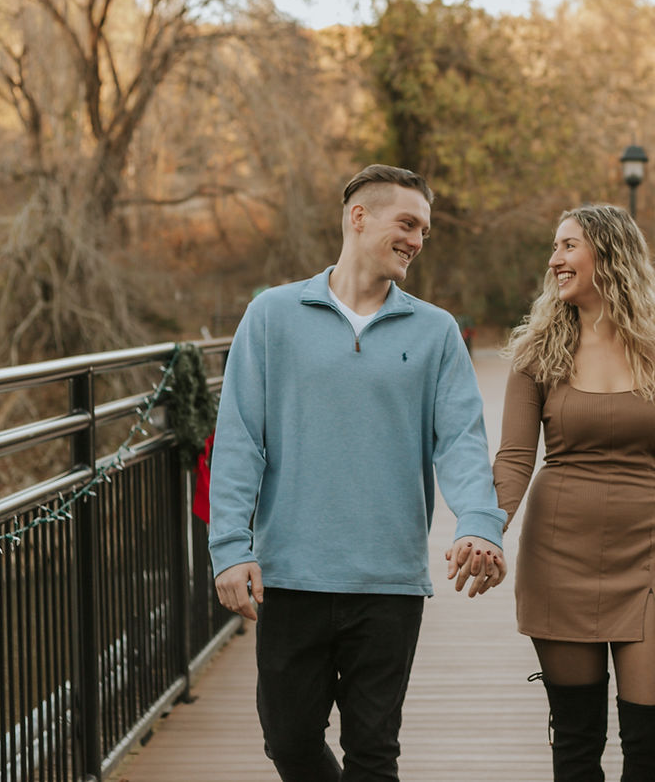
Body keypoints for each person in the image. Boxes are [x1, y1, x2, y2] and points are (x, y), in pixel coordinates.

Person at [208, 164, 508, 782]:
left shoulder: (436, 331)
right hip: (291, 575)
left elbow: (460, 441)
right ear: (358, 217)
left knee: (374, 755)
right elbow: (239, 440)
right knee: (289, 743)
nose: (417, 240)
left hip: (388, 582)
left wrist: (479, 523)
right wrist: (229, 548)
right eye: (407, 223)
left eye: (424, 229)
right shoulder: (271, 316)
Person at [492, 204, 655, 782]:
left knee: (650, 744)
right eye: (554, 247)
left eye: (568, 246)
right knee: (576, 746)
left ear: (611, 254)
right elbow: (514, 459)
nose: (554, 259)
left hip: (652, 558)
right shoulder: (536, 351)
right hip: (558, 558)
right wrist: (485, 530)